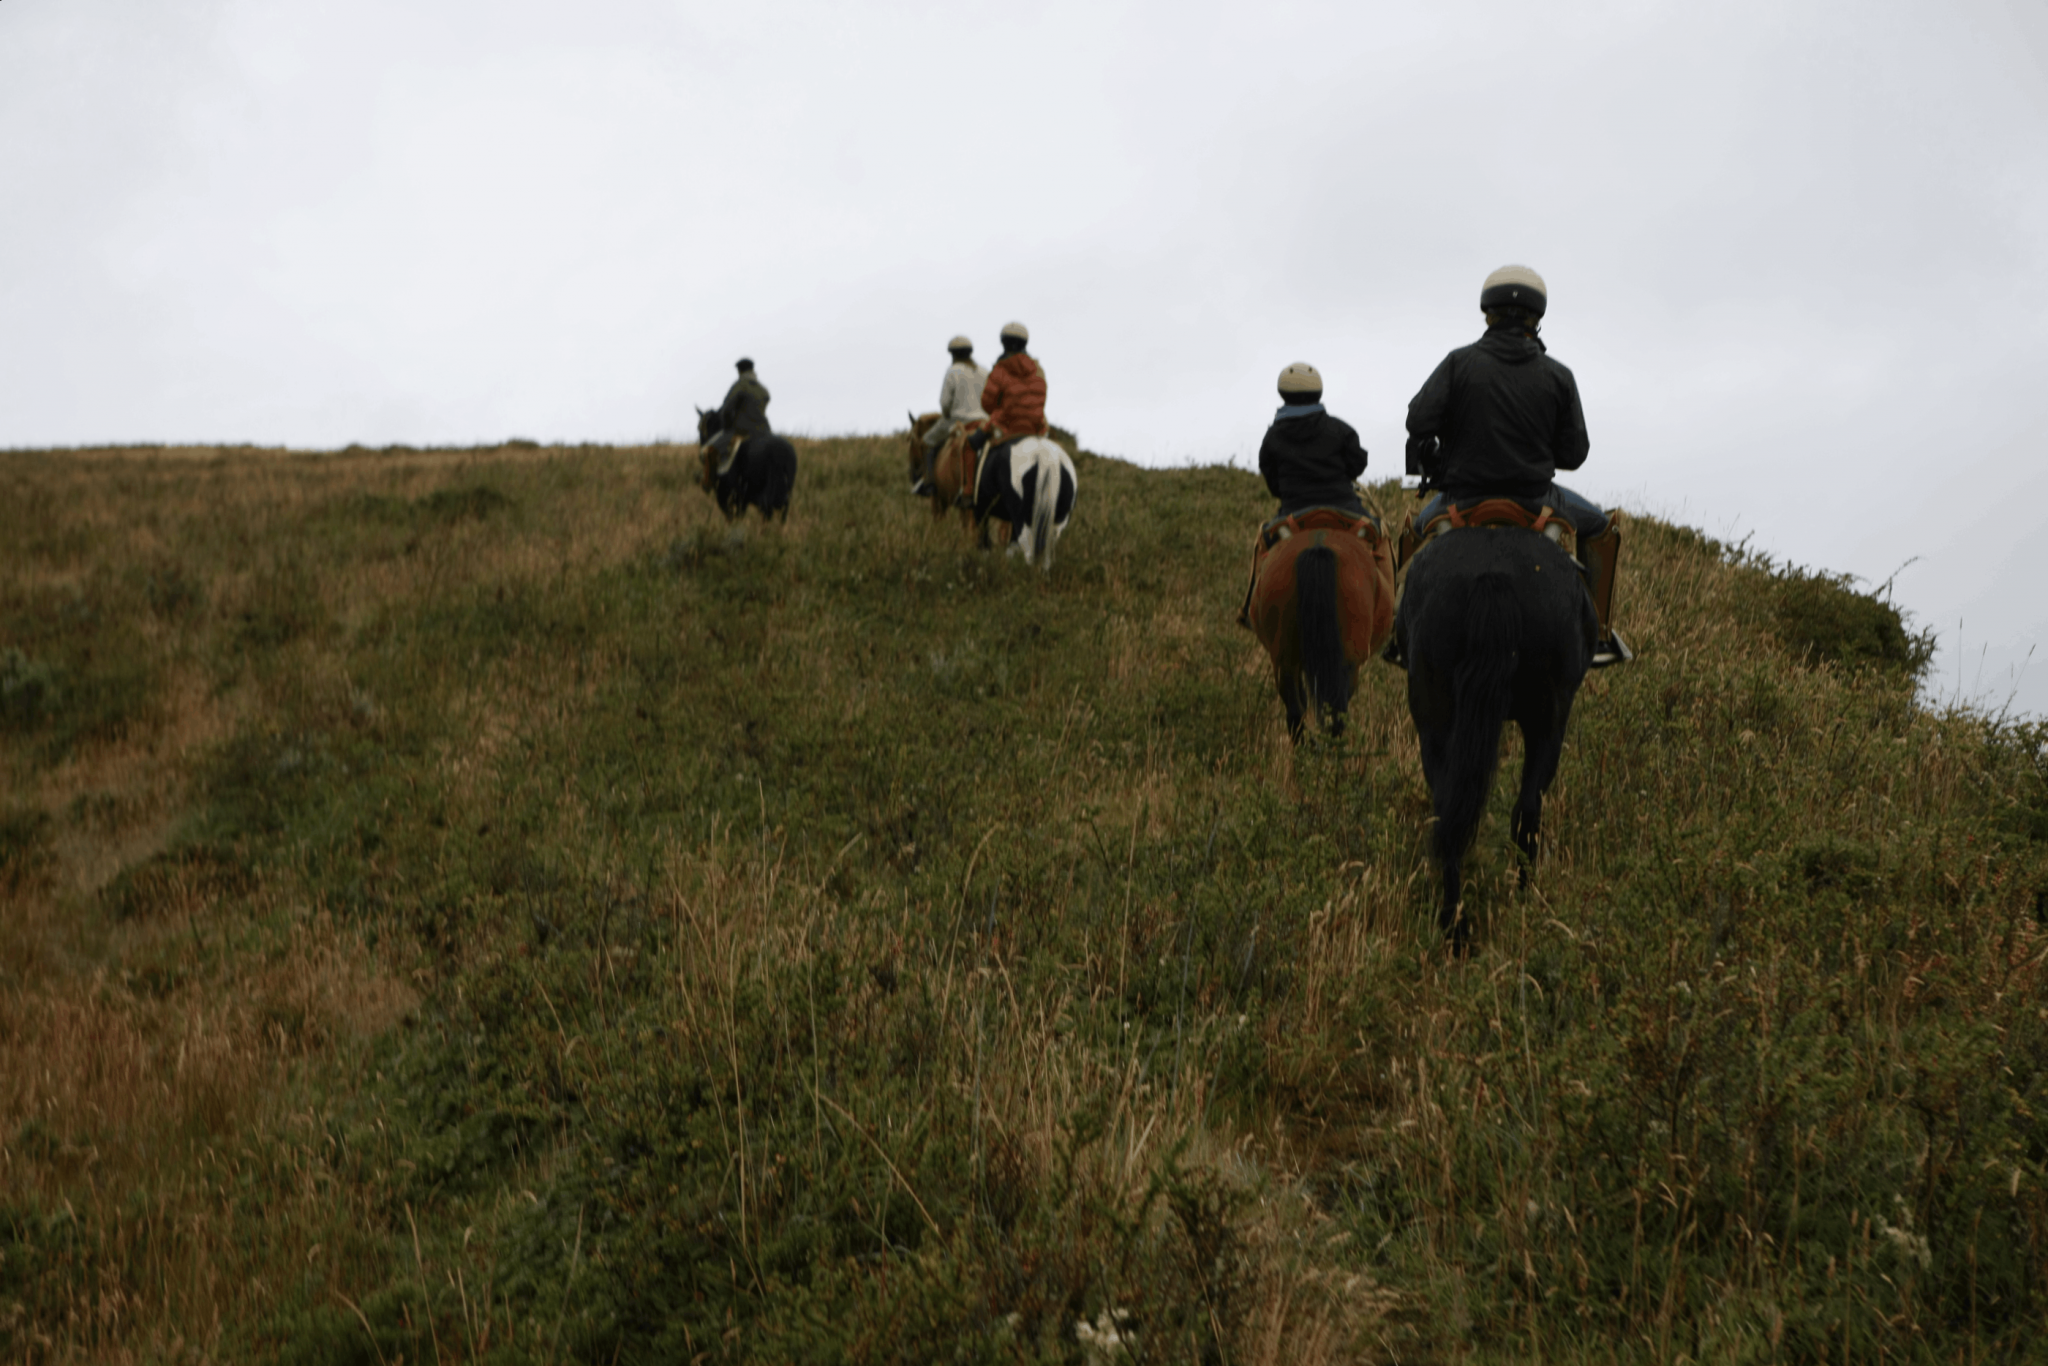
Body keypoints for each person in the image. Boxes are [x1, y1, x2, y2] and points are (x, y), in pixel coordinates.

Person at [1403, 266, 1629, 665]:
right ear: (1536, 318)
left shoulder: (1458, 363)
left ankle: (1398, 630)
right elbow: (1575, 455)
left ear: (1487, 313)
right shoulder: (1559, 375)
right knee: (1601, 528)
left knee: (1410, 532)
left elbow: (1418, 422)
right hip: (1537, 498)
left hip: (1462, 497)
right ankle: (1600, 635)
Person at [1237, 362, 1378, 626]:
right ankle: (1390, 610)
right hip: (1346, 508)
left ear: (1283, 394)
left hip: (1292, 511)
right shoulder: (1340, 429)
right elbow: (1357, 465)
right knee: (1381, 537)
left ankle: (1248, 608)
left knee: (1263, 544)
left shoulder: (1272, 437)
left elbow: (1273, 483)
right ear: (1318, 393)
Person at [912, 335, 988, 497]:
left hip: (958, 421)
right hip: (984, 421)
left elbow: (945, 403)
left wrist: (947, 415)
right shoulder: (983, 371)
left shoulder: (953, 371)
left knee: (927, 441)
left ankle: (930, 482)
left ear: (952, 354)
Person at [971, 322, 1048, 465]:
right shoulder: (1038, 370)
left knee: (973, 444)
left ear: (1004, 343)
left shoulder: (1000, 369)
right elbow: (1042, 400)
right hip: (1035, 426)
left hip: (1006, 426)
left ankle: (968, 487)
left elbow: (987, 405)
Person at [707, 358, 772, 475]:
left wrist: (727, 427)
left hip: (741, 431)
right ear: (752, 369)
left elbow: (726, 410)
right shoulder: (763, 389)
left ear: (739, 371)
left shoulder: (739, 386)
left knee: (709, 450)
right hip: (764, 431)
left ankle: (708, 481)